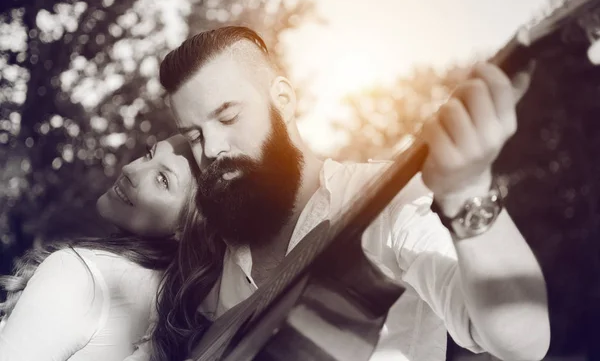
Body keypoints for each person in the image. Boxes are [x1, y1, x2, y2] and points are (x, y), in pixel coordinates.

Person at [152, 26, 551, 361]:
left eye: (228, 116)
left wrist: (467, 192)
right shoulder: (216, 252)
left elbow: (522, 339)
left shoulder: (393, 205)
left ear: (284, 100)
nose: (212, 148)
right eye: (195, 135)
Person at [0, 135, 225, 361]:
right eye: (148, 154)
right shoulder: (176, 314)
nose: (130, 170)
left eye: (162, 180)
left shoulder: (80, 274)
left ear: (188, 227)